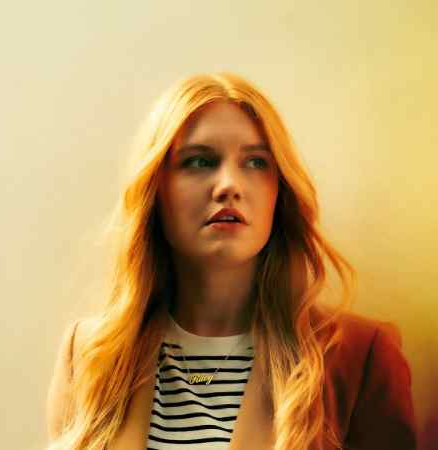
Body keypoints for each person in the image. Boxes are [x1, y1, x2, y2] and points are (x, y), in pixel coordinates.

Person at [44, 72, 417, 450]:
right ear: (156, 190)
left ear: (279, 191)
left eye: (255, 162)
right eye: (199, 161)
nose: (229, 185)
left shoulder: (358, 357)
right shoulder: (90, 357)